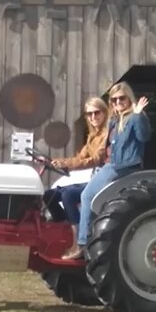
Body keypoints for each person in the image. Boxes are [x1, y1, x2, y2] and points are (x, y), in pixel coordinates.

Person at [69, 82, 151, 259]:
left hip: (123, 167)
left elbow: (144, 136)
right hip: (112, 165)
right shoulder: (115, 121)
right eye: (114, 100)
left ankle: (82, 243)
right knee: (78, 196)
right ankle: (89, 239)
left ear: (129, 98)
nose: (118, 102)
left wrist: (137, 116)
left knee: (86, 196)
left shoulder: (134, 118)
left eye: (122, 98)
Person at [41, 97, 109, 248]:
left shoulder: (106, 135)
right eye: (89, 114)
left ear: (104, 113)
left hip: (103, 181)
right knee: (49, 195)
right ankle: (64, 229)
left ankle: (79, 241)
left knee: (68, 195)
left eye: (96, 113)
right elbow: (80, 158)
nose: (93, 117)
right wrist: (57, 162)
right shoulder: (93, 136)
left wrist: (67, 164)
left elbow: (95, 160)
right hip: (93, 179)